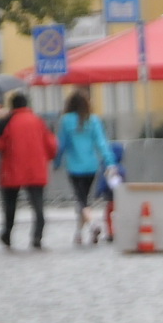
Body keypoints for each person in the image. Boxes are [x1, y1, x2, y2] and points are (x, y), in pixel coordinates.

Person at [0, 91, 57, 250]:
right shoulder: (38, 121)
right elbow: (52, 145)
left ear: (12, 106)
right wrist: (47, 158)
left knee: (10, 204)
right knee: (38, 204)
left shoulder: (9, 122)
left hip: (12, 169)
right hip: (36, 169)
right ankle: (37, 237)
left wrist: (0, 121)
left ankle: (7, 234)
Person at [54, 89, 114, 245]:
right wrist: (109, 162)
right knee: (85, 201)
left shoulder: (66, 121)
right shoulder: (93, 120)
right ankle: (79, 233)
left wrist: (57, 161)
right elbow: (102, 143)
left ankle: (93, 225)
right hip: (91, 166)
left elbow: (61, 145)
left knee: (81, 201)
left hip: (75, 167)